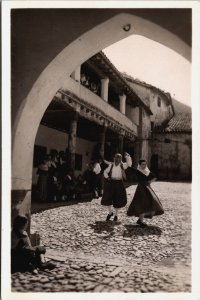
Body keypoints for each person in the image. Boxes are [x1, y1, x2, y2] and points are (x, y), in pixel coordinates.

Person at [127, 159, 164, 227]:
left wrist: (149, 182)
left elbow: (155, 177)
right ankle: (141, 221)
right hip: (140, 189)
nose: (144, 166)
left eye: (145, 164)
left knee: (148, 203)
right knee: (142, 204)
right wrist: (128, 158)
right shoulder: (138, 171)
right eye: (142, 164)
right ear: (140, 165)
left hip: (147, 188)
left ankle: (140, 220)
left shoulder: (147, 172)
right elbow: (130, 167)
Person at [101, 152, 132, 222]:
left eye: (119, 157)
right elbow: (105, 172)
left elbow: (129, 164)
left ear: (121, 159)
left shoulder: (122, 165)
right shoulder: (111, 165)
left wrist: (127, 157)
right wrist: (107, 177)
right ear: (114, 158)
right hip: (111, 182)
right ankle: (110, 212)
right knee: (107, 198)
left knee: (117, 199)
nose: (118, 159)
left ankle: (116, 215)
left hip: (119, 183)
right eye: (117, 157)